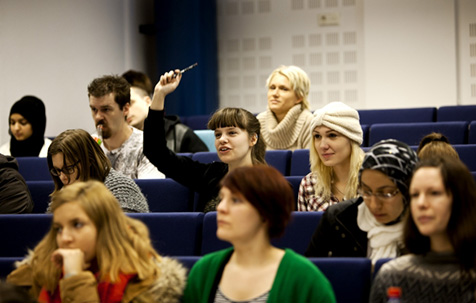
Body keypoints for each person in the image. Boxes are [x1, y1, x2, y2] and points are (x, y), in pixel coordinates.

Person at [7, 181, 186, 302]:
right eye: (59, 229)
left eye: (77, 225)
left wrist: (75, 279)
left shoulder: (143, 284)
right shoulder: (39, 270)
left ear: (104, 228)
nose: (65, 238)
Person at [182, 165, 336, 302]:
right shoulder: (203, 271)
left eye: (235, 200)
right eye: (222, 199)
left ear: (266, 212)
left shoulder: (305, 279)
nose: (221, 208)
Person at [143, 69, 266, 212]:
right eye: (218, 135)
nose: (222, 140)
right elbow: (156, 153)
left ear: (253, 139)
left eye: (232, 133)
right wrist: (159, 94)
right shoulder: (210, 174)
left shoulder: (270, 184)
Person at [370, 156, 476, 302]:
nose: (421, 203)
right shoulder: (392, 276)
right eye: (415, 195)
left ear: (460, 199)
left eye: (434, 193)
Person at [305, 139, 419, 264]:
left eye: (386, 193)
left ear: (409, 191)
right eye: (367, 192)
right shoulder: (337, 219)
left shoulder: (427, 227)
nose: (374, 205)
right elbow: (308, 274)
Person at [47, 129, 149, 213]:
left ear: (88, 161)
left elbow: (122, 234)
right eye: (58, 171)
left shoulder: (122, 190)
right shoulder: (62, 195)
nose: (62, 177)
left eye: (68, 169)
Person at [87, 75, 164, 179]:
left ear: (125, 109)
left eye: (106, 109)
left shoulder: (148, 145)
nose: (98, 117)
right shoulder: (87, 146)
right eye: (94, 109)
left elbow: (151, 191)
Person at [298, 101, 365, 211]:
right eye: (317, 136)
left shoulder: (372, 181)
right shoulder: (309, 183)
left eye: (332, 135)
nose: (322, 146)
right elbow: (305, 228)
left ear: (352, 139)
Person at [121, 70, 209, 153]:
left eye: (131, 103)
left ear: (148, 101)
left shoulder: (180, 134)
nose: (126, 111)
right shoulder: (119, 141)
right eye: (122, 107)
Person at [257, 65, 314, 151]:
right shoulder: (259, 122)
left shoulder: (309, 123)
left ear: (299, 97)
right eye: (272, 88)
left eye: (284, 89)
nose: (275, 94)